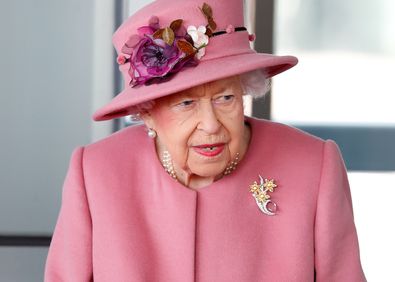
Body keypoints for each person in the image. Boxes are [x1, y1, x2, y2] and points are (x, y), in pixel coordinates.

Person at [45, 0, 366, 281]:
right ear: (147, 113)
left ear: (245, 91)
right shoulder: (97, 172)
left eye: (225, 97)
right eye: (186, 104)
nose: (211, 125)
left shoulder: (312, 164)